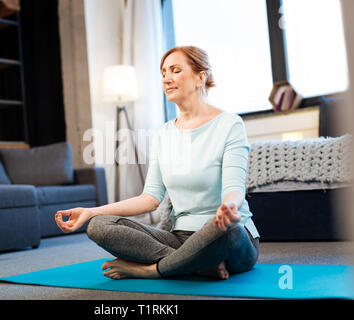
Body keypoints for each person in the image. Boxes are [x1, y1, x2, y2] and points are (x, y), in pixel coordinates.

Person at [55, 46, 260, 280]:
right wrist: (90, 212)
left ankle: (152, 270)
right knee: (98, 225)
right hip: (181, 238)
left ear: (200, 77)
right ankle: (196, 264)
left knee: (225, 229)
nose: (166, 79)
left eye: (175, 71)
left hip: (227, 236)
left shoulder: (230, 124)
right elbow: (150, 198)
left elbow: (234, 190)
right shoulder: (164, 134)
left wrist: (229, 207)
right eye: (163, 73)